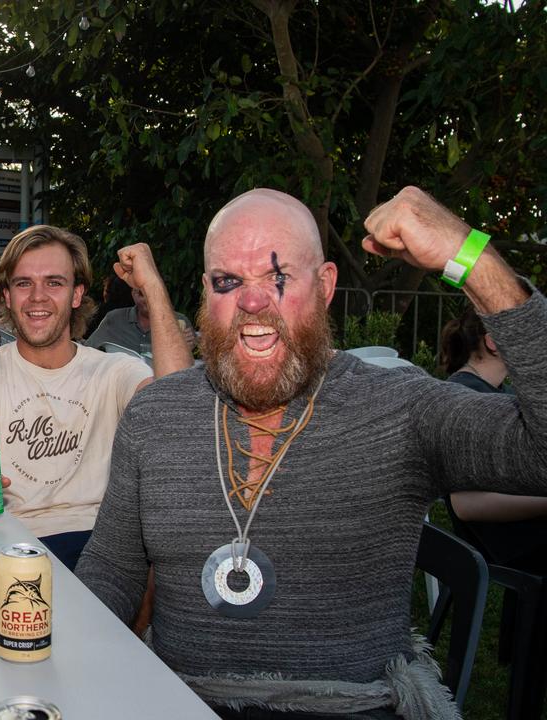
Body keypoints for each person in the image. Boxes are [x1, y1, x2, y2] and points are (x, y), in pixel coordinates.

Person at [76, 187, 547, 718]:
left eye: (278, 278)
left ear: (325, 286)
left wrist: (473, 259)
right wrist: (64, 651)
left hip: (351, 707)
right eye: (229, 282)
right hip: (181, 699)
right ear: (206, 291)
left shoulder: (399, 408)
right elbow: (113, 567)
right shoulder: (155, 413)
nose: (252, 302)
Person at [0, 226, 193, 570]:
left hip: (99, 546)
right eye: (24, 283)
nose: (38, 296)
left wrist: (153, 289)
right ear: (7, 296)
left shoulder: (114, 371)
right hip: (4, 539)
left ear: (76, 295)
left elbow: (179, 412)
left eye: (54, 283)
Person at [440, 308, 547, 574]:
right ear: (493, 342)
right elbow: (466, 505)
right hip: (507, 543)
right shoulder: (464, 398)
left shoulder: (502, 393)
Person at [85, 281, 196, 354]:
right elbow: (89, 349)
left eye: (153, 293)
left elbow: (193, 364)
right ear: (134, 295)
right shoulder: (115, 319)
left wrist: (186, 349)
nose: (149, 299)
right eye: (143, 295)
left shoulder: (178, 321)